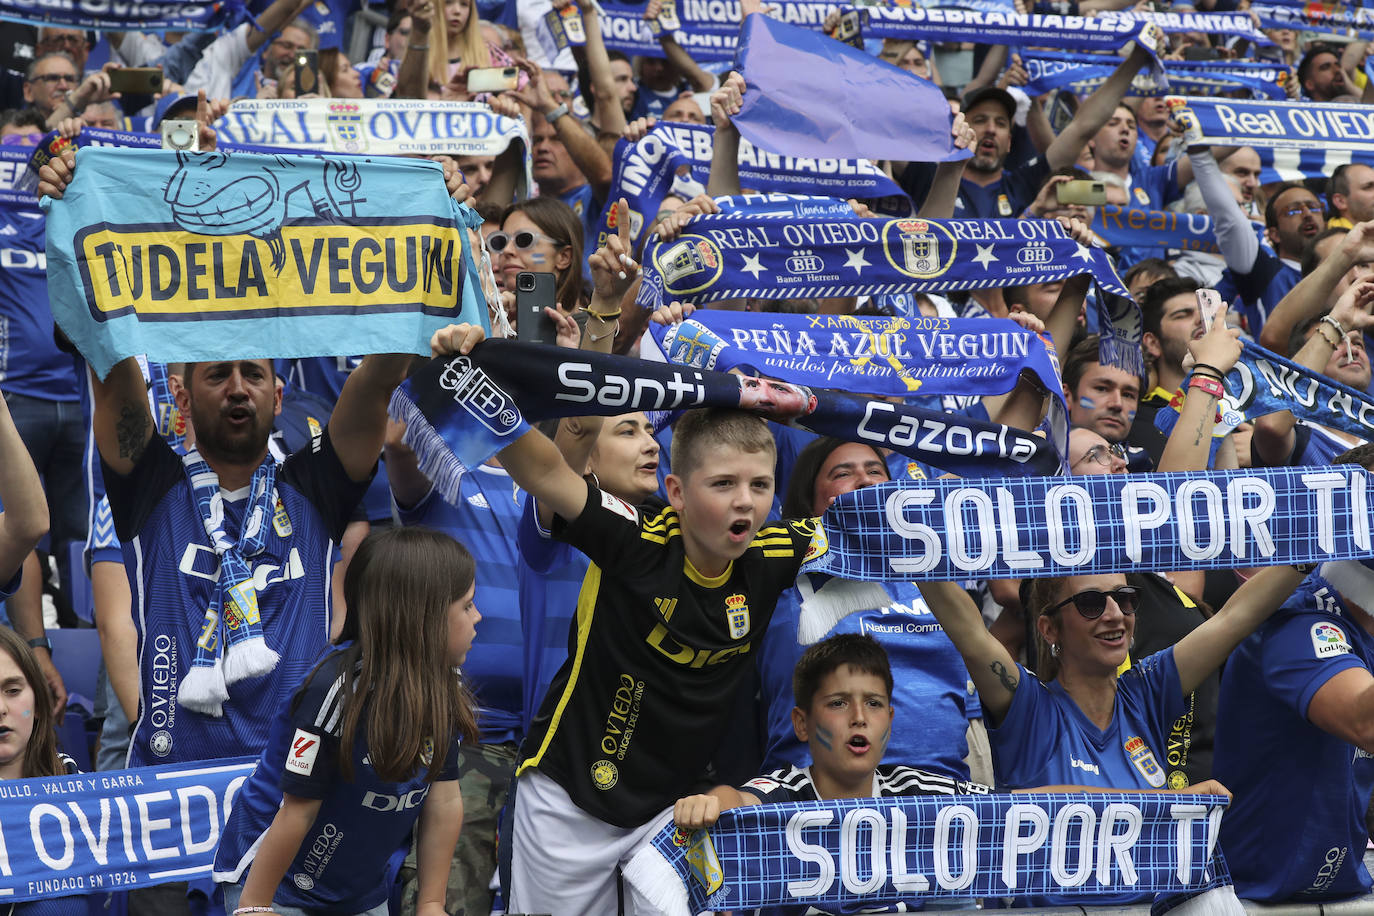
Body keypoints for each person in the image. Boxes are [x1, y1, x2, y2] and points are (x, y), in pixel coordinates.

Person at [917, 556, 1305, 904]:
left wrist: (1321, 540)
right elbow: (966, 627)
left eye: (1125, 598)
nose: (1115, 614)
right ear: (1049, 629)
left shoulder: (1147, 692)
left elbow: (1234, 618)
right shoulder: (1028, 709)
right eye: (1091, 603)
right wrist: (906, 541)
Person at [213, 527, 476, 916]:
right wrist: (254, 907)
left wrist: (432, 903)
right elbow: (296, 811)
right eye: (467, 606)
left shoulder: (443, 687)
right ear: (423, 617)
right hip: (272, 881)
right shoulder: (334, 690)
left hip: (357, 891)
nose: (478, 617)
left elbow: (444, 800)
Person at [757, 437, 988, 785]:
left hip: (940, 791)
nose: (865, 480)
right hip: (822, 796)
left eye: (876, 471)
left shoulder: (931, 580)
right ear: (812, 501)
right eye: (843, 474)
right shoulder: (783, 579)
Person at [1214, 444, 1374, 903]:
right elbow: (1366, 724)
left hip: (1340, 887)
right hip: (1259, 900)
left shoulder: (1362, 610)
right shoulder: (1301, 617)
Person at [674, 634, 987, 828]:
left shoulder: (914, 789)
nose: (859, 717)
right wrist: (709, 804)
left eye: (874, 704)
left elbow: (1014, 805)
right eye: (838, 703)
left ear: (890, 721)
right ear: (801, 723)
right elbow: (736, 800)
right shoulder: (786, 791)